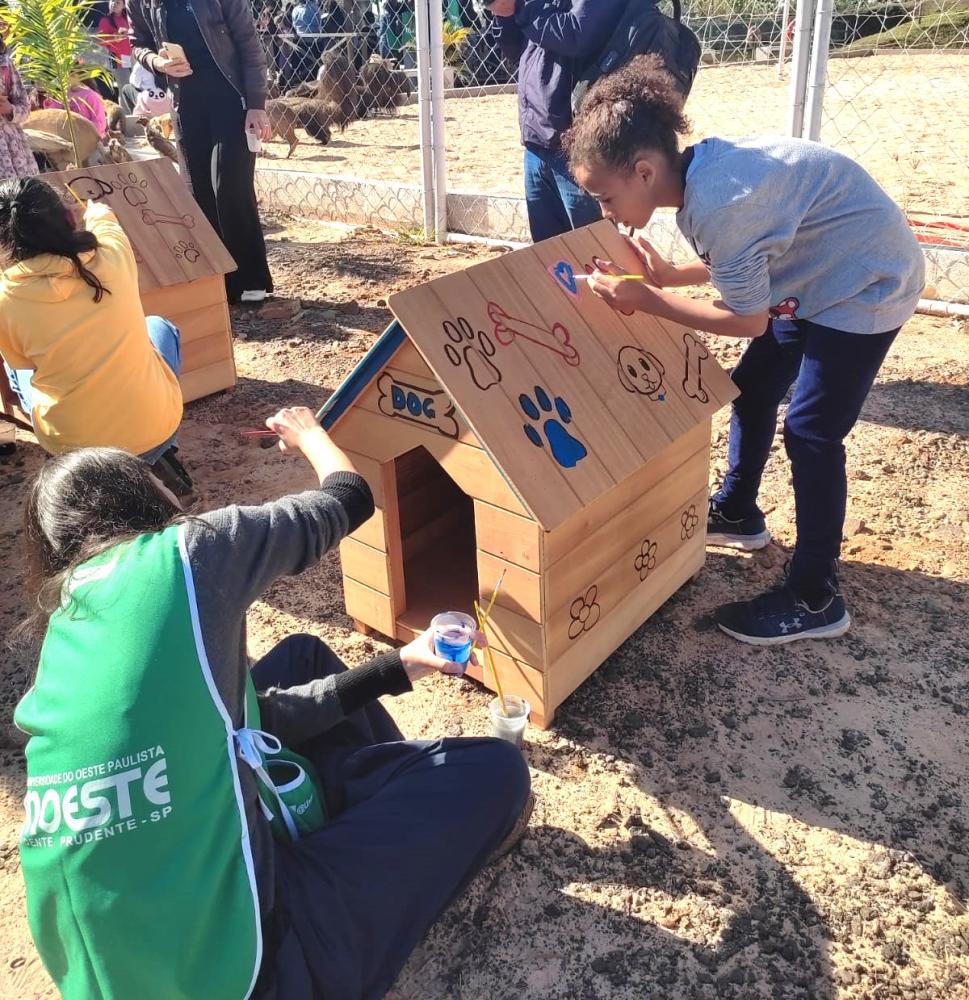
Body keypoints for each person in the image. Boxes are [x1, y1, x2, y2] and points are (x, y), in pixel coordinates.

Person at [16, 406, 533, 999]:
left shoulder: (70, 624)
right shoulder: (184, 554)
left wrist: (402, 664)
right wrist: (311, 434)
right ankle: (380, 821)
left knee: (301, 654)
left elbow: (244, 724)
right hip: (257, 969)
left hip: (136, 948)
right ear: (139, 497)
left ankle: (367, 805)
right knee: (493, 770)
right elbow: (348, 497)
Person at [564, 55, 924, 645]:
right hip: (812, 273)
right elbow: (751, 258)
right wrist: (672, 277)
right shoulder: (702, 176)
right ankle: (738, 511)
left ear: (643, 171)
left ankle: (815, 595)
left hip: (866, 282)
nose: (602, 211)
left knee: (810, 430)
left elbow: (748, 320)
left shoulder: (717, 205)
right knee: (753, 388)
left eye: (604, 196)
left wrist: (644, 302)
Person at [0, 177, 189, 492]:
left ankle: (76, 465)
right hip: (154, 429)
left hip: (76, 451)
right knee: (158, 326)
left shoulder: (6, 296)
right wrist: (97, 211)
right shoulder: (112, 255)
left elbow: (23, 362)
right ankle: (157, 455)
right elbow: (105, 220)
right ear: (69, 218)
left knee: (13, 365)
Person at [129, 0, 274, 304]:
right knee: (199, 194)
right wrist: (157, 63)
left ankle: (252, 278)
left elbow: (249, 45)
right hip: (185, 104)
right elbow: (137, 44)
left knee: (230, 188)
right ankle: (222, 282)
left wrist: (257, 105)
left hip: (231, 99)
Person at [488, 0, 625, 243]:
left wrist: (520, 6)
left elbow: (576, 34)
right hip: (537, 139)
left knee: (596, 251)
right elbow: (520, 53)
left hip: (579, 143)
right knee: (550, 257)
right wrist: (505, 15)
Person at [0, 38, 39, 180]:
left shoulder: (4, 65)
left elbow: (24, 106)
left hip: (8, 151)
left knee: (16, 197)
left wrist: (10, 109)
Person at [43, 80, 109, 137]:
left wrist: (83, 133)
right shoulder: (64, 94)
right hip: (67, 140)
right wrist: (50, 99)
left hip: (88, 142)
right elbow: (52, 115)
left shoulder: (91, 95)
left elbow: (100, 124)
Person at [97, 0, 134, 72]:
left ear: (124, 6)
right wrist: (114, 37)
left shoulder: (128, 18)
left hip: (131, 56)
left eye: (118, 2)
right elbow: (100, 41)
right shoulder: (105, 21)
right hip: (117, 58)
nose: (114, 4)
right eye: (112, 1)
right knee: (123, 81)